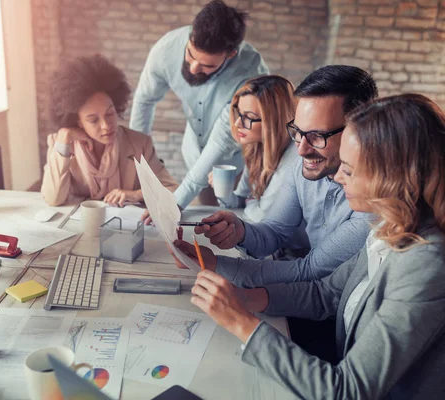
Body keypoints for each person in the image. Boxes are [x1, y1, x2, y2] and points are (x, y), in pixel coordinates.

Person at [187, 94, 445, 399]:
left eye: (348, 170)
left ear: (390, 179)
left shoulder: (425, 263)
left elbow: (347, 390)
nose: (337, 177)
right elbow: (326, 293)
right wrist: (243, 298)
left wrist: (243, 323)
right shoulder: (388, 226)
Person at [175, 65, 379, 362]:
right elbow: (274, 232)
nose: (301, 150)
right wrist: (240, 231)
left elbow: (309, 273)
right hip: (303, 302)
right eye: (298, 132)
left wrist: (217, 264)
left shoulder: (372, 207)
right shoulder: (304, 164)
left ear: (359, 130)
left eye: (318, 136)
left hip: (332, 330)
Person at [130, 0, 268, 208]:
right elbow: (144, 100)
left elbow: (221, 142)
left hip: (236, 162)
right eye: (190, 55)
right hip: (195, 153)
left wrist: (174, 204)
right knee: (205, 216)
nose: (194, 68)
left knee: (232, 216)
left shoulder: (252, 75)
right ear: (190, 36)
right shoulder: (166, 49)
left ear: (230, 55)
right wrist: (137, 165)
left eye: (207, 65)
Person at [41, 55, 178, 207]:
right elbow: (53, 199)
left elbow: (172, 189)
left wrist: (135, 194)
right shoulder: (61, 143)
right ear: (77, 121)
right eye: (93, 120)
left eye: (110, 113)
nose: (106, 125)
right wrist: (64, 139)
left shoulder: (140, 144)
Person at [209, 75, 299, 223]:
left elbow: (263, 217)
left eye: (249, 117)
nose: (238, 123)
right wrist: (224, 192)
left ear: (274, 121)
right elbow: (240, 200)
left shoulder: (294, 157)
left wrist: (250, 202)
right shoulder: (257, 148)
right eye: (239, 113)